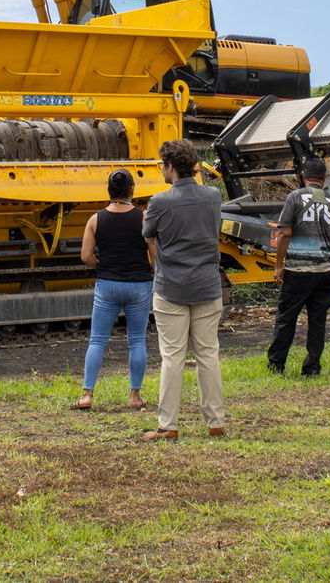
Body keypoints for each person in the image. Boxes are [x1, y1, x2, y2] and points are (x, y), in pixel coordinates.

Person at [141, 139, 227, 440]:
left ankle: (169, 425)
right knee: (208, 354)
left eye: (161, 165)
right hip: (207, 283)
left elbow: (148, 236)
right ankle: (215, 421)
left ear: (170, 167)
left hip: (171, 286)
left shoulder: (159, 202)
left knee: (173, 357)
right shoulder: (213, 196)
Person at [73, 169, 153, 411]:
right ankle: (135, 396)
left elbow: (86, 256)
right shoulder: (144, 217)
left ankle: (87, 394)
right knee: (136, 340)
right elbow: (155, 254)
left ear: (109, 191)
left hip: (107, 283)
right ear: (132, 190)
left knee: (97, 340)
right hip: (139, 284)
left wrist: (102, 265)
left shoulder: (95, 219)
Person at [266, 157, 330, 377]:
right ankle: (312, 367)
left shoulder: (295, 198)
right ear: (325, 177)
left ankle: (277, 365)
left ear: (303, 176)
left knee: (286, 319)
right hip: (324, 272)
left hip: (297, 271)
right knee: (318, 320)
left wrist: (279, 266)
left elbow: (284, 233)